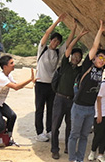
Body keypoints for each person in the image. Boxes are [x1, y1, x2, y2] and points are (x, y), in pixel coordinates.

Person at [68, 20, 105, 162]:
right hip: (79, 107)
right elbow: (96, 46)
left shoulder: (101, 69)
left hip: (90, 109)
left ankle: (79, 159)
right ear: (94, 57)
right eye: (100, 57)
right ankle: (72, 159)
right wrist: (100, 31)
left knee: (84, 136)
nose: (102, 60)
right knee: (74, 135)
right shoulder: (88, 64)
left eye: (104, 59)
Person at [51, 23, 88, 160]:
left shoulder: (79, 70)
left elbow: (89, 61)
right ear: (71, 56)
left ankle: (68, 146)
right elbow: (69, 47)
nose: (76, 58)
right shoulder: (65, 64)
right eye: (75, 56)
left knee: (70, 126)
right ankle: (55, 149)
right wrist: (79, 36)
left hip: (72, 100)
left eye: (79, 57)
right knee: (55, 126)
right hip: (59, 99)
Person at [35, 13, 73, 142]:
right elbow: (46, 33)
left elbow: (68, 43)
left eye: (58, 42)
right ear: (51, 40)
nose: (56, 43)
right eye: (54, 40)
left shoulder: (58, 52)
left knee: (51, 109)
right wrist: (58, 21)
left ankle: (49, 130)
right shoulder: (42, 49)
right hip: (40, 84)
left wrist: (74, 30)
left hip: (51, 86)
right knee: (39, 109)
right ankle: (39, 132)